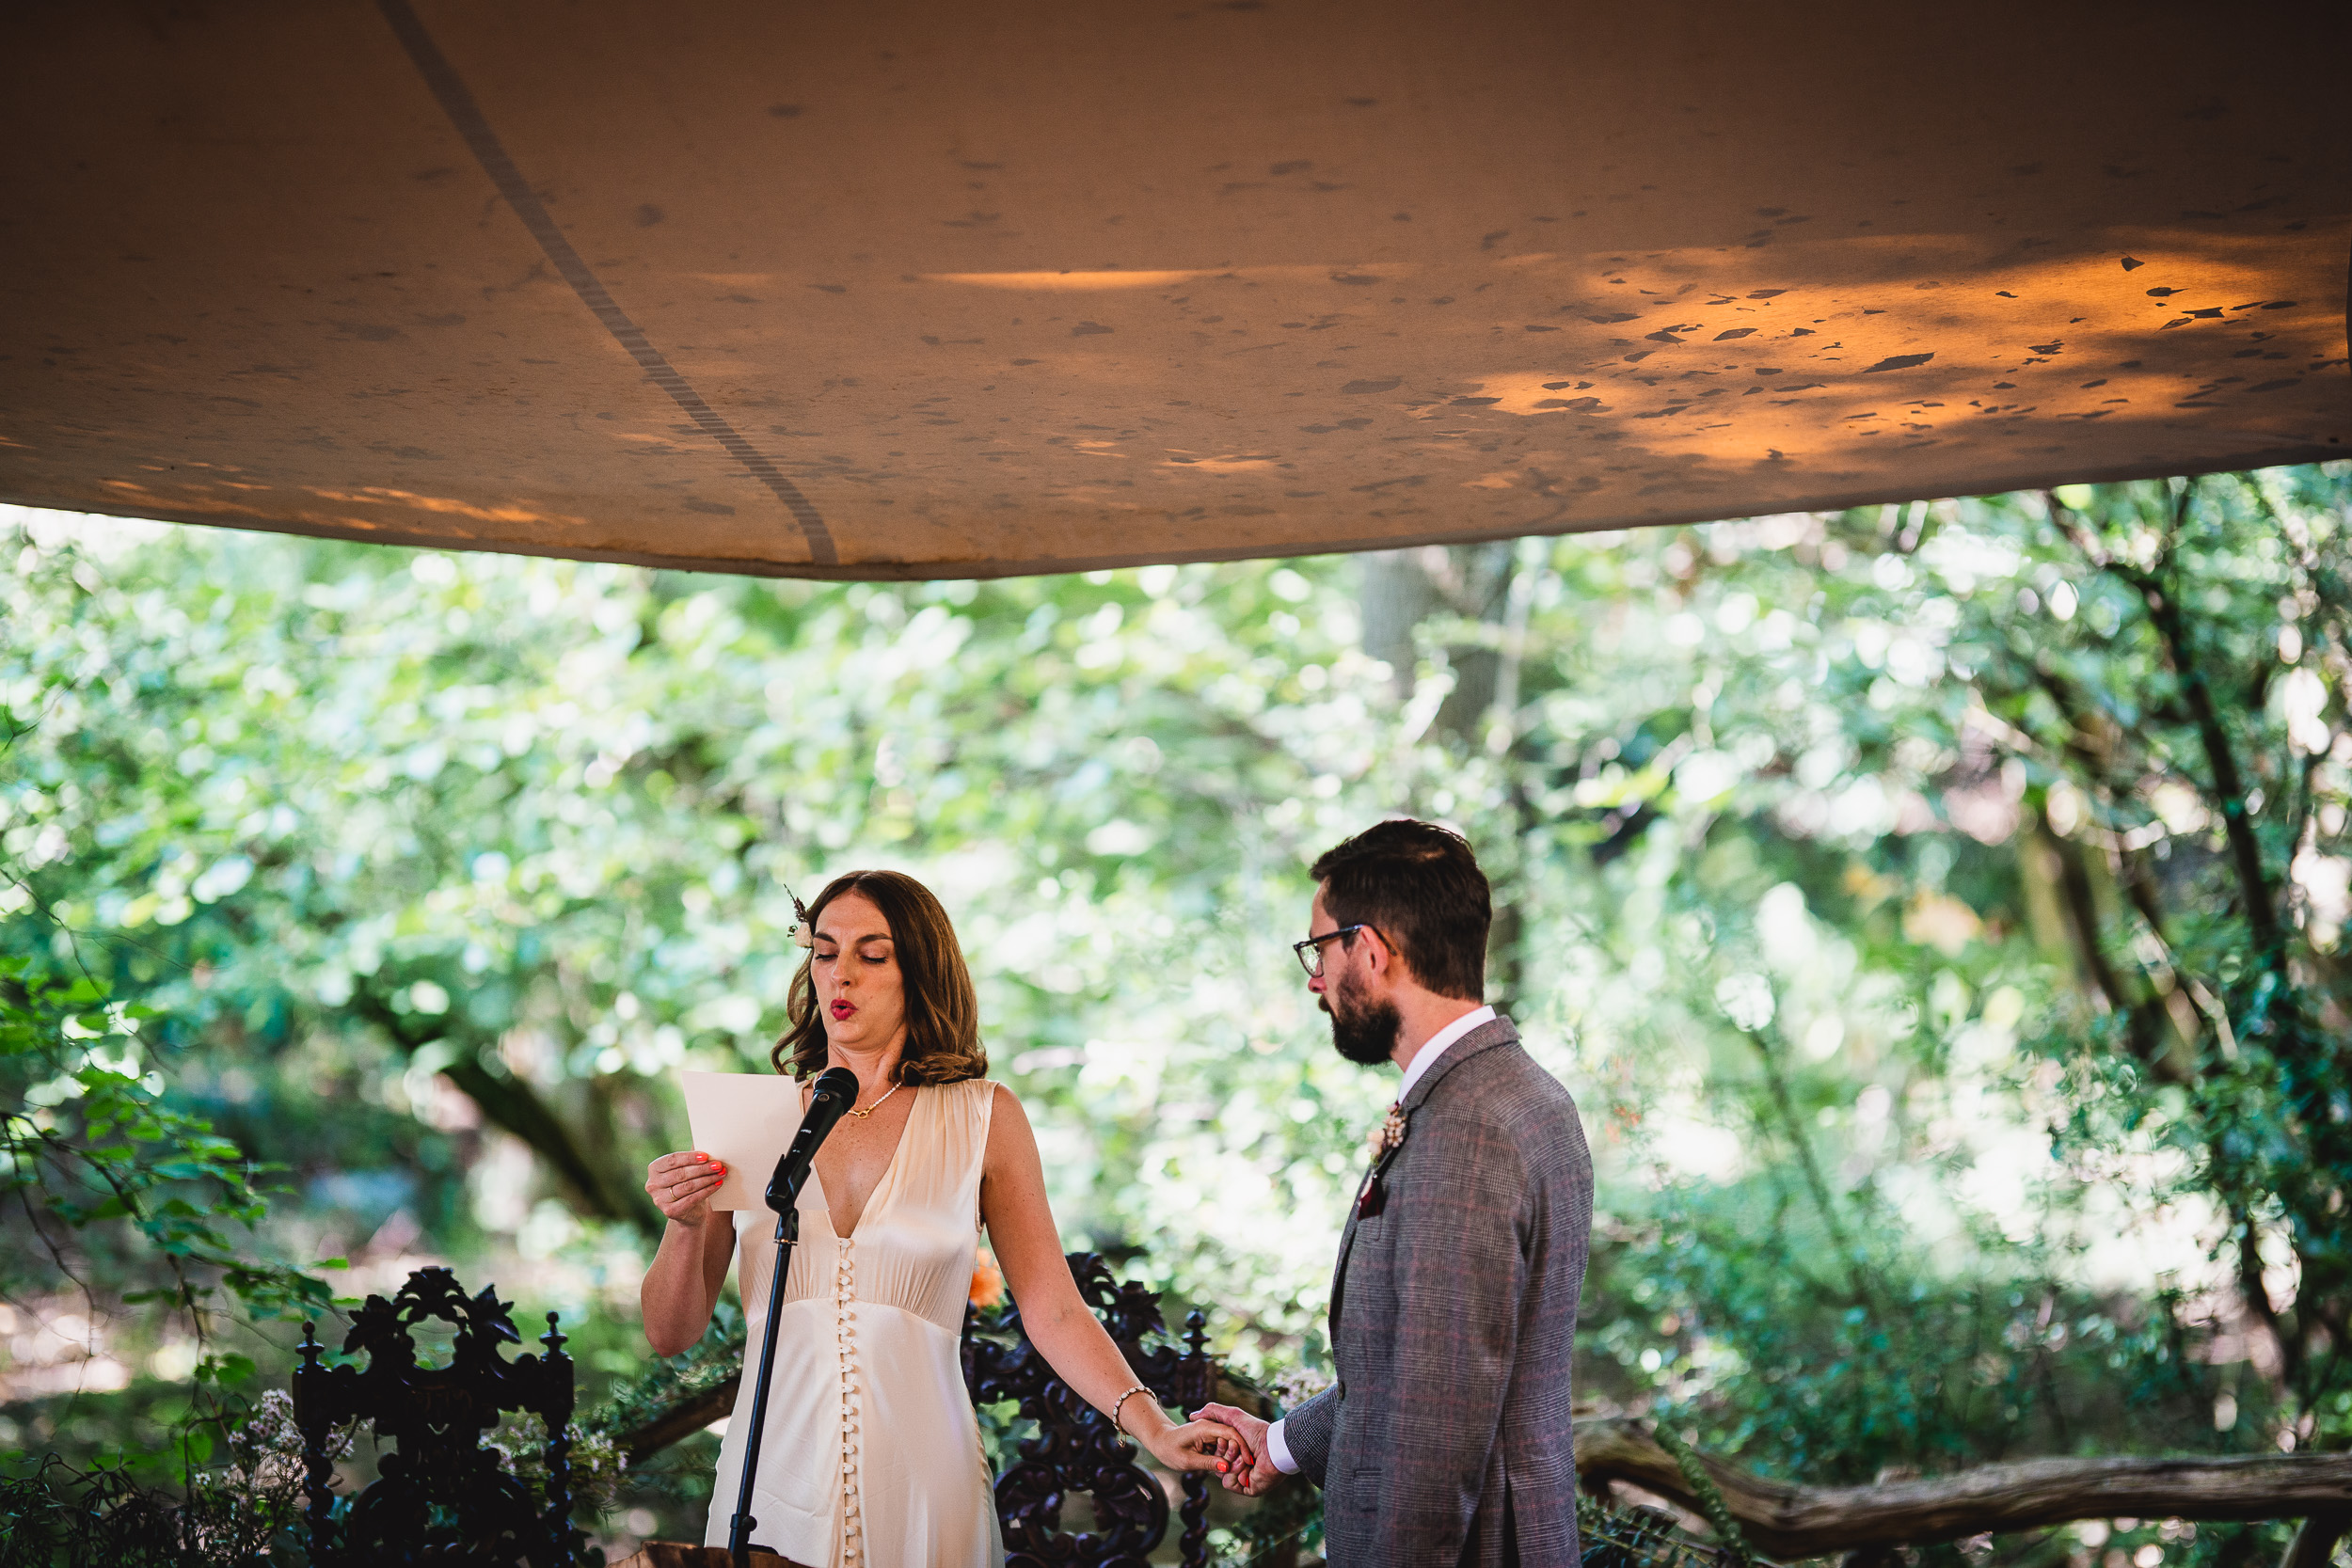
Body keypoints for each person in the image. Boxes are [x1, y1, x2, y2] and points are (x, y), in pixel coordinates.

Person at [640, 869, 1238, 1568]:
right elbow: (670, 1331)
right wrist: (684, 1225)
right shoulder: (750, 1119)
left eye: (873, 954)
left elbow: (1054, 1311)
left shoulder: (985, 1116)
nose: (842, 976)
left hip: (925, 1487)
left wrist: (1156, 1428)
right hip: (770, 1480)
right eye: (826, 951)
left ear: (920, 970)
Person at [1193, 819, 1594, 1566]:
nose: (1315, 979)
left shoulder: (1467, 1133)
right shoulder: (1519, 1093)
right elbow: (1418, 1372)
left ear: (1371, 951)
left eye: (1320, 948)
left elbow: (1435, 1440)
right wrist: (1279, 1442)